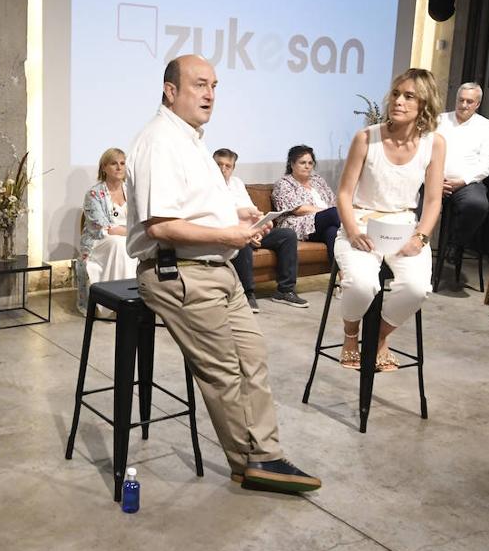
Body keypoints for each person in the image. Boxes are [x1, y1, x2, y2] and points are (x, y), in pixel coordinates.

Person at [125, 54, 322, 496]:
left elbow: (193, 209)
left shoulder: (192, 140)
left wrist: (240, 219)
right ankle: (249, 461)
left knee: (254, 360)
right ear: (170, 90)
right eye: (199, 84)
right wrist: (227, 234)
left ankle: (265, 454)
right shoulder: (159, 141)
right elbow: (161, 227)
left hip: (217, 269)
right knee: (225, 373)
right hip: (180, 271)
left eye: (214, 85)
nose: (210, 94)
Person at [334, 68, 447, 372]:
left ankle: (379, 338)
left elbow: (433, 200)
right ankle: (351, 336)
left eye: (409, 96)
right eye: (396, 94)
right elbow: (343, 194)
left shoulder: (434, 143)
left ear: (424, 104)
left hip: (404, 227)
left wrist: (420, 237)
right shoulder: (366, 138)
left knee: (416, 288)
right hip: (362, 222)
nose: (398, 101)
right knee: (361, 284)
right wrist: (353, 231)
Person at [213, 148, 307, 312]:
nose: (223, 169)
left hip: (251, 231)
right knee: (241, 242)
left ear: (233, 168)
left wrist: (259, 228)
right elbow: (219, 216)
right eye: (218, 164)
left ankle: (285, 291)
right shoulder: (207, 186)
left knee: (287, 235)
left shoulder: (237, 183)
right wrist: (246, 232)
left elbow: (252, 210)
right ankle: (247, 294)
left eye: (228, 166)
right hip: (231, 233)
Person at [435, 83, 489, 264]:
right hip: (435, 180)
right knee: (412, 202)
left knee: (477, 205)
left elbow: (487, 164)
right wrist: (435, 180)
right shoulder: (439, 120)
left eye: (469, 102)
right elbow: (424, 152)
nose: (463, 105)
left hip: (467, 183)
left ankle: (455, 244)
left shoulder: (486, 127)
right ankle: (406, 250)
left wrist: (462, 181)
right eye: (460, 100)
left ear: (477, 104)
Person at [76, 148, 139, 312]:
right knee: (118, 244)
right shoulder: (94, 193)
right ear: (104, 167)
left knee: (133, 243)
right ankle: (114, 304)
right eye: (113, 163)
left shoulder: (132, 191)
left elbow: (140, 219)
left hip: (126, 236)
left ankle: (136, 301)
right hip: (100, 240)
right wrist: (131, 231)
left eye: (122, 163)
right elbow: (102, 226)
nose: (119, 167)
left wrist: (128, 232)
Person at [272, 144, 341, 262]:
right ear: (292, 164)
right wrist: (327, 213)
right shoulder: (283, 183)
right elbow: (298, 209)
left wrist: (330, 213)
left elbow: (333, 201)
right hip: (298, 224)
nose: (307, 166)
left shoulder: (318, 181)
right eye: (302, 163)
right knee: (335, 213)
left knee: (332, 232)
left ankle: (340, 272)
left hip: (323, 223)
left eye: (310, 163)